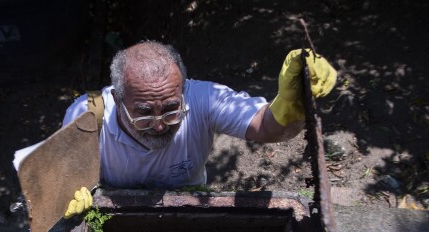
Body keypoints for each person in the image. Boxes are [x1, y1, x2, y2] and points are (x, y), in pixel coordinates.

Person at [40, 40, 336, 217]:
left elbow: (267, 128)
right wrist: (69, 193)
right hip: (113, 214)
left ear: (183, 89)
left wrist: (291, 103)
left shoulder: (204, 99)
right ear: (118, 99)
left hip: (190, 206)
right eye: (143, 113)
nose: (158, 125)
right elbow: (62, 182)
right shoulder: (87, 115)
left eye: (171, 109)